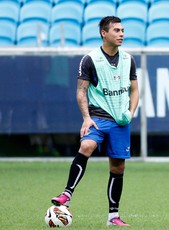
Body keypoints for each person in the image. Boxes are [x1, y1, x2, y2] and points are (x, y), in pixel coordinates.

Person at [51, 16, 139, 227]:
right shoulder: (89, 59)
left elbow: (135, 89)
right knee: (87, 145)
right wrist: (86, 118)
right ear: (104, 33)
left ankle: (113, 217)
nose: (121, 34)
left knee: (117, 167)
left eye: (123, 30)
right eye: (117, 30)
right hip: (98, 118)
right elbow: (81, 92)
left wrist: (131, 111)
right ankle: (67, 194)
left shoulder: (128, 59)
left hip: (120, 122)